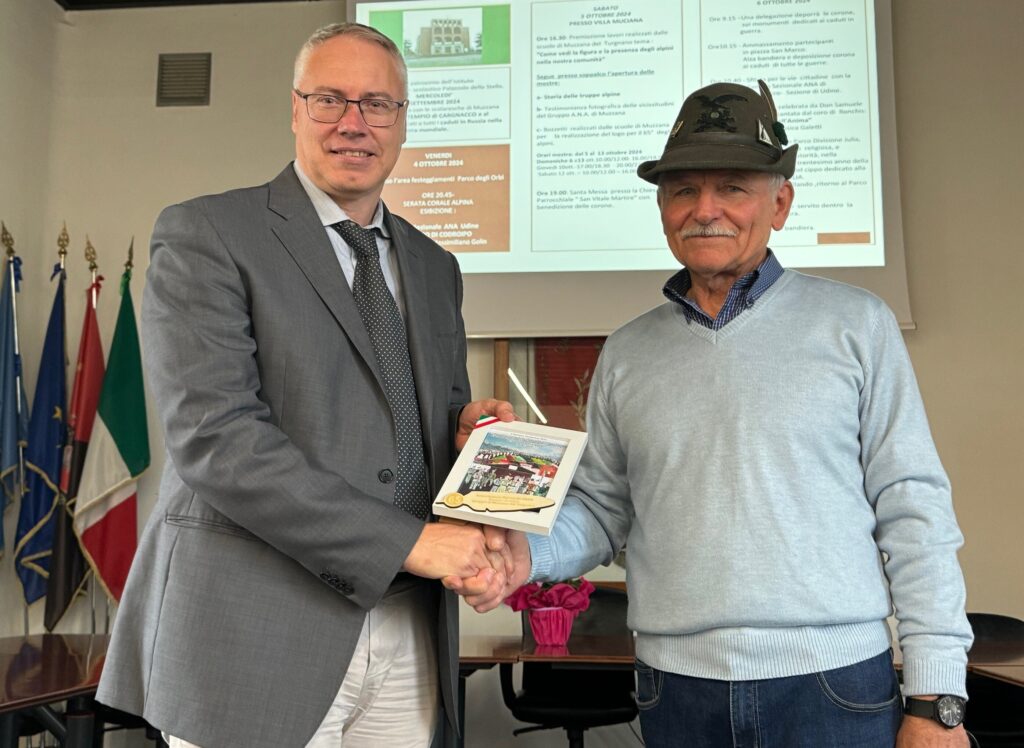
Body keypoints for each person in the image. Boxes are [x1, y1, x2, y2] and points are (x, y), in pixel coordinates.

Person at [465, 80, 973, 747]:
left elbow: (915, 510)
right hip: (675, 691)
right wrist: (521, 556)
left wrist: (936, 699)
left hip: (833, 687)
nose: (705, 210)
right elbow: (604, 512)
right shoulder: (627, 352)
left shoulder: (858, 326)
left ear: (779, 204)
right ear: (662, 209)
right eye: (683, 190)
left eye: (732, 186)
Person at [97, 22, 513, 748]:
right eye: (330, 99)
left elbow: (425, 420)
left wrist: (467, 433)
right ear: (295, 109)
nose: (354, 123)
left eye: (377, 104)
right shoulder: (207, 233)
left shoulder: (434, 265)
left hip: (410, 629)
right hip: (254, 633)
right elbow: (218, 443)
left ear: (402, 121)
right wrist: (410, 543)